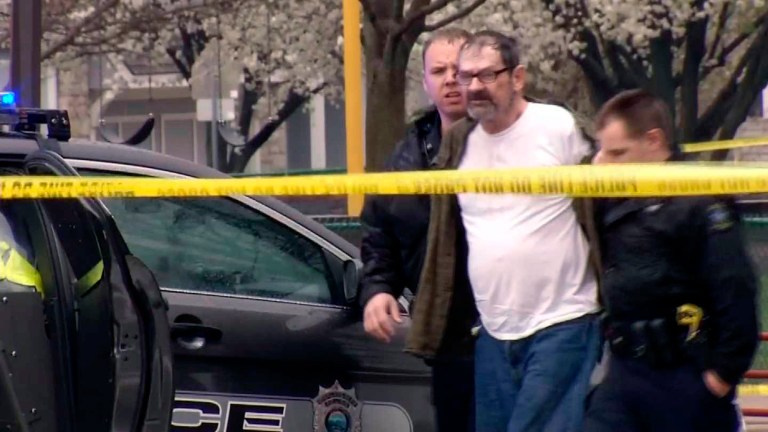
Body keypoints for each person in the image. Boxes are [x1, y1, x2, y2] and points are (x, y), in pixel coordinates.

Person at [405, 30, 603, 432]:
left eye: (487, 75)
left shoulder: (558, 126)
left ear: (517, 78)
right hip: (493, 331)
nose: (474, 87)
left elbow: (602, 208)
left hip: (563, 321)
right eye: (466, 76)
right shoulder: (459, 142)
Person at [583, 89, 759, 432]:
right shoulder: (612, 195)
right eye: (601, 150)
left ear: (654, 141)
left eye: (617, 152)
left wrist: (720, 377)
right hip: (624, 371)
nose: (601, 162)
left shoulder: (701, 202)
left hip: (685, 374)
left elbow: (736, 292)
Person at [358, 27, 475, 431]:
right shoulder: (405, 155)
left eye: (459, 69)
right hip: (445, 337)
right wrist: (378, 290)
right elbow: (378, 232)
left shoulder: (507, 145)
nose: (450, 79)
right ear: (425, 82)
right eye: (439, 71)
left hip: (502, 330)